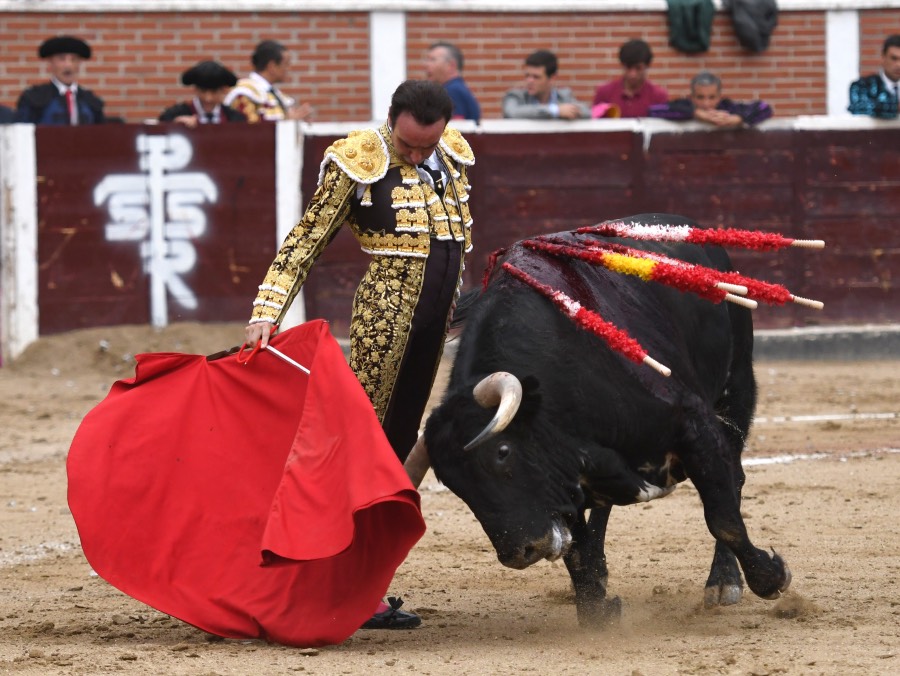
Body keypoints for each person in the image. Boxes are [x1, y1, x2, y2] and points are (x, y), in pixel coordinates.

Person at [243, 79, 475, 630]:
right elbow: (305, 241)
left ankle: (363, 583)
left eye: (428, 146)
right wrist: (266, 312)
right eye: (409, 144)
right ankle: (334, 582)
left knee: (394, 452)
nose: (417, 155)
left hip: (432, 329)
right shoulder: (357, 159)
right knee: (360, 451)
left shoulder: (454, 154)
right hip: (383, 324)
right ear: (391, 119)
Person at [15, 35, 106, 125]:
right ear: (51, 62)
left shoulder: (90, 100)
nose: (68, 65)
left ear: (79, 64)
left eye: (74, 59)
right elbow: (23, 132)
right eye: (62, 59)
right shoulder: (34, 97)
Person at [224, 40, 312, 122]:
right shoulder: (244, 93)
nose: (288, 69)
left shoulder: (277, 95)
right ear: (272, 66)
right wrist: (288, 122)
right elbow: (249, 130)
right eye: (286, 64)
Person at [648, 71, 773, 127]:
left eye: (712, 97)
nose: (706, 104)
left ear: (719, 97)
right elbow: (653, 111)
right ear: (691, 97)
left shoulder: (727, 108)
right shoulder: (685, 106)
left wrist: (738, 118)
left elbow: (765, 108)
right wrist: (696, 114)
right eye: (700, 97)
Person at [502, 50, 590, 120]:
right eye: (527, 75)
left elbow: (586, 112)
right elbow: (511, 112)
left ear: (552, 78)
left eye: (536, 77)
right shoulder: (516, 96)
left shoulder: (564, 96)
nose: (529, 81)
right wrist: (555, 110)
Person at [592, 39, 669, 118]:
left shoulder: (658, 96)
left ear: (647, 66)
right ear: (622, 65)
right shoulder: (604, 93)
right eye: (628, 67)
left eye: (638, 68)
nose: (633, 74)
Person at [159, 61, 247, 126]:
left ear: (223, 90)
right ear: (195, 89)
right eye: (203, 91)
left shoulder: (236, 120)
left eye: (214, 92)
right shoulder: (173, 115)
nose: (208, 98)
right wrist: (175, 127)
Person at [425, 41, 481, 123]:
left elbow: (456, 126)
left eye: (432, 60)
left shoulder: (452, 91)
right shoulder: (457, 88)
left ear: (451, 65)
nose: (426, 64)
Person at [848, 34, 900, 119]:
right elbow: (858, 108)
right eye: (894, 58)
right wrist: (895, 107)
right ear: (883, 58)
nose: (898, 65)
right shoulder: (862, 85)